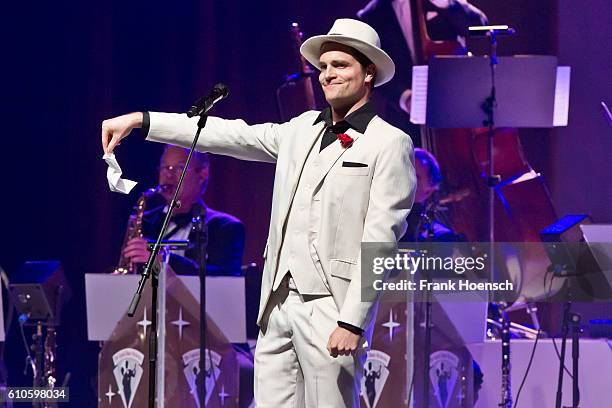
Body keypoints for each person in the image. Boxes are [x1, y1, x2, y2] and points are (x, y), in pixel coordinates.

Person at [102, 19, 416, 407]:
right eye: (325, 66)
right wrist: (143, 121)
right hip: (277, 305)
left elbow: (380, 241)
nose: (328, 75)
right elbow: (228, 135)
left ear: (369, 73)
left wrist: (352, 319)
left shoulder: (389, 143)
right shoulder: (301, 130)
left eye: (341, 66)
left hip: (331, 308)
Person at [358, 0, 488, 139]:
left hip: (458, 111)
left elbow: (481, 27)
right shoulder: (370, 16)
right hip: (406, 121)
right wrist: (405, 98)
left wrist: (445, 4)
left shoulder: (444, 2)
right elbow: (373, 71)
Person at [122, 145, 245, 276]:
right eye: (165, 167)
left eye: (180, 168)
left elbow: (227, 280)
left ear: (202, 175)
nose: (168, 175)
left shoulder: (226, 227)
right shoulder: (144, 222)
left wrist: (164, 260)